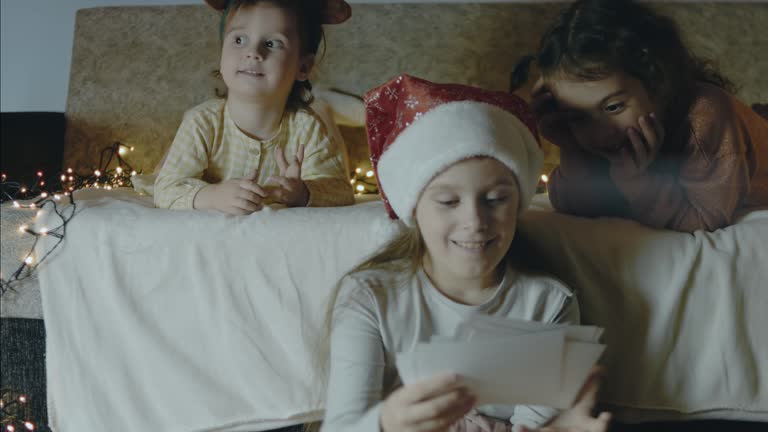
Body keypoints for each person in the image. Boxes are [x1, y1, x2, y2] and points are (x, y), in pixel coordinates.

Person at [320, 74, 612, 432]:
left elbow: (534, 426)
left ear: (518, 201)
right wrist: (387, 422)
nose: (474, 221)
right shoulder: (369, 297)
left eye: (495, 199)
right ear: (414, 208)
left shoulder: (549, 304)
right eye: (447, 201)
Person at [512, 0, 768, 232]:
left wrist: (638, 181)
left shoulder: (706, 116)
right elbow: (572, 205)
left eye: (613, 107)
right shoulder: (598, 134)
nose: (601, 134)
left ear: (658, 80)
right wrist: (571, 149)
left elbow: (704, 218)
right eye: (578, 116)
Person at [153, 0, 354, 213]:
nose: (252, 52)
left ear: (303, 67)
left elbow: (341, 192)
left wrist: (301, 193)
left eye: (272, 43)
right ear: (222, 56)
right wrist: (213, 196)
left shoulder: (307, 128)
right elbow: (166, 189)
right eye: (239, 39)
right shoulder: (202, 122)